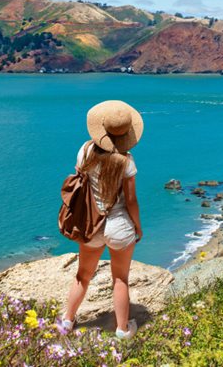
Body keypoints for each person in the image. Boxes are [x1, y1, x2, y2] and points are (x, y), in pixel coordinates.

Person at [62, 100, 144, 339]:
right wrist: (138, 228)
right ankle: (122, 330)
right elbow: (131, 201)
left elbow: (80, 179)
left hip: (91, 224)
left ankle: (67, 322)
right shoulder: (126, 162)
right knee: (120, 278)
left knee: (82, 275)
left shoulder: (85, 151)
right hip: (119, 226)